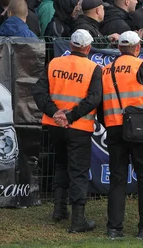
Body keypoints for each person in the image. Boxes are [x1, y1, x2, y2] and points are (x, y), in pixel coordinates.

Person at [100, 31, 143, 240]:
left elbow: (98, 104)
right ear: (137, 48)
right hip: (140, 130)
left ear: (120, 48)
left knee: (117, 179)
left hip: (113, 129)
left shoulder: (104, 70)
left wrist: (109, 123)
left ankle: (114, 229)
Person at [32, 30, 101, 232]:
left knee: (61, 164)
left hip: (55, 126)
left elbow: (38, 91)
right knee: (78, 171)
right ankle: (77, 220)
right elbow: (93, 99)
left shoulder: (54, 64)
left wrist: (55, 113)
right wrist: (70, 117)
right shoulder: (93, 68)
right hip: (78, 127)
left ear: (71, 45)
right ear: (88, 48)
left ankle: (60, 210)